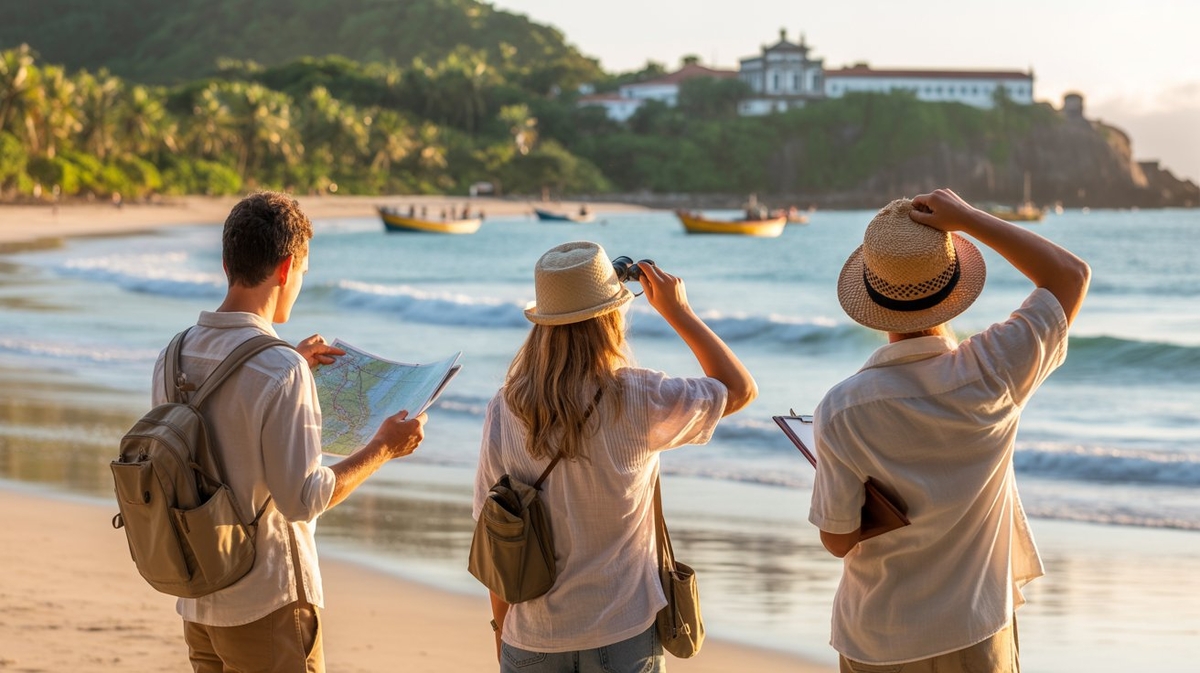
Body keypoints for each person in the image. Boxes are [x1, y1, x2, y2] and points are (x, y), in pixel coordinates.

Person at [808, 189, 1090, 673]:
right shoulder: (996, 370)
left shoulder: (842, 408)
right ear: (956, 284)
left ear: (873, 297)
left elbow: (839, 540)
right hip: (975, 627)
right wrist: (970, 218)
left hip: (879, 635)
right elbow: (1069, 275)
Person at [155, 191, 427, 672]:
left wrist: (289, 366)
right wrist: (382, 448)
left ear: (226, 262)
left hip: (199, 600)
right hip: (268, 602)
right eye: (303, 270)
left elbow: (210, 436)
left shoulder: (174, 353)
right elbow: (302, 499)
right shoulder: (278, 369)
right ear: (285, 268)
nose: (300, 281)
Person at [474, 241, 757, 673]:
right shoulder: (639, 397)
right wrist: (678, 311)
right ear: (611, 317)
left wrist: (502, 630)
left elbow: (495, 529)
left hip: (531, 638)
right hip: (622, 636)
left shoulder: (505, 407)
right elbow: (739, 390)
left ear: (544, 324)